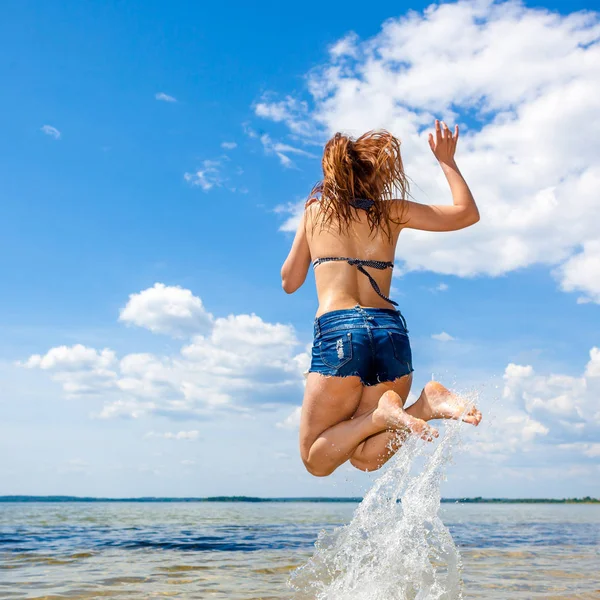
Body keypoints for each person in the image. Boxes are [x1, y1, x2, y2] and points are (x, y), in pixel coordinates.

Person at [281, 120, 482, 477]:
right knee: (366, 458)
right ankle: (424, 405)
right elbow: (466, 214)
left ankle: (382, 415)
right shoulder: (392, 211)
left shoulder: (316, 211)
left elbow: (289, 281)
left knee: (316, 459)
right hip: (390, 332)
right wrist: (447, 160)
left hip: (341, 331)